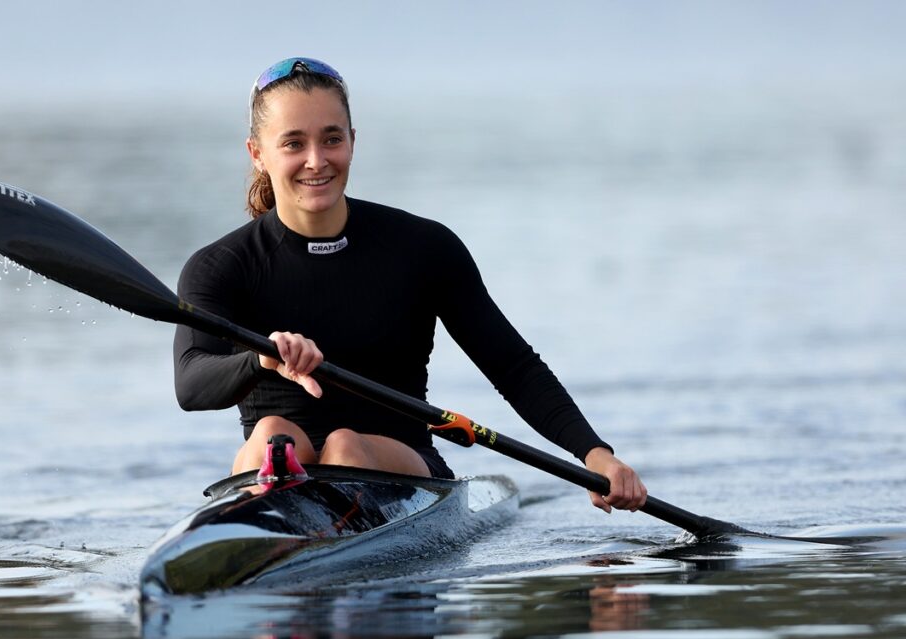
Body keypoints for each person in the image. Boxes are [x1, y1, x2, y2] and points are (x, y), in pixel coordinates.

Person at [173, 58, 647, 513]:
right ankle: (279, 495)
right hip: (273, 462)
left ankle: (314, 509)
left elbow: (514, 368)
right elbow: (191, 384)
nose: (316, 161)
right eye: (293, 143)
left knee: (344, 446)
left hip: (403, 467)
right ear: (257, 153)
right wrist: (263, 357)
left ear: (353, 142)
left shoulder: (422, 248)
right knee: (275, 433)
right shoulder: (221, 267)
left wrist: (595, 454)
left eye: (331, 139)